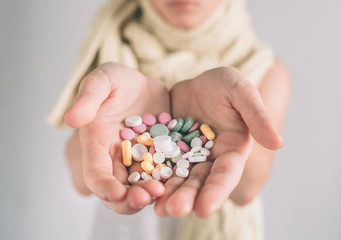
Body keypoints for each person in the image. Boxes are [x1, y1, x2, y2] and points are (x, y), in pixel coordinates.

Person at [48, 0, 290, 239]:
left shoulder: (264, 67)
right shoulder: (110, 44)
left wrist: (233, 119)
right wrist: (100, 131)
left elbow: (247, 190)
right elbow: (81, 180)